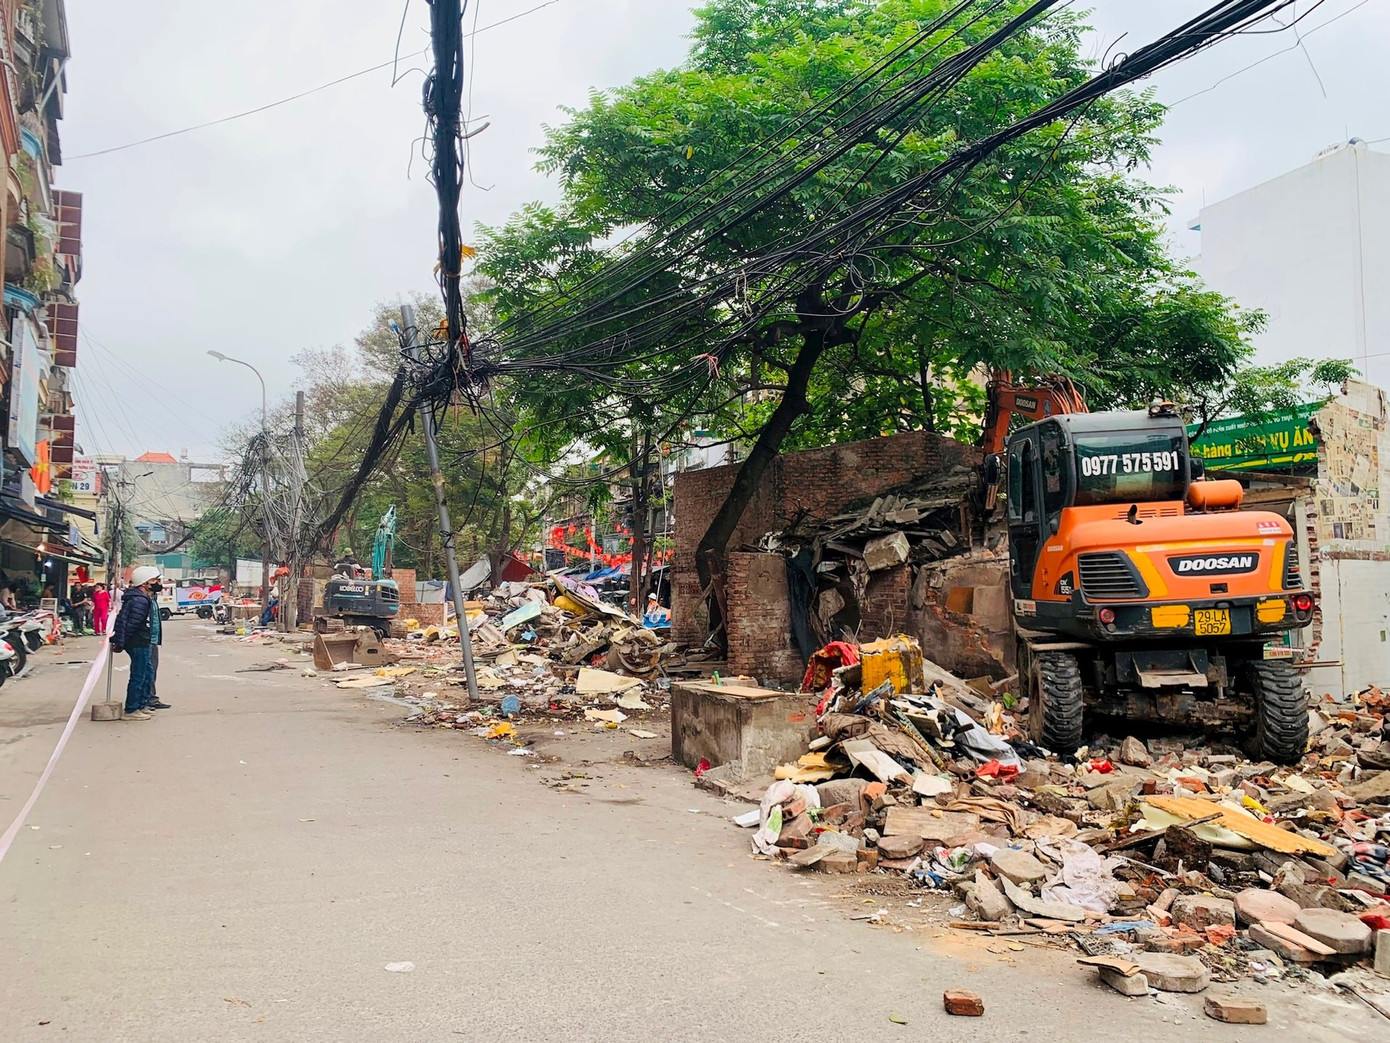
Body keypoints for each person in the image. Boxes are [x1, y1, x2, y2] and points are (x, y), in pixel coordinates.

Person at [111, 566, 162, 720]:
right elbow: (131, 624)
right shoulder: (140, 600)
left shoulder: (142, 598)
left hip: (141, 641)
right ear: (144, 583)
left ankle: (141, 704)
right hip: (137, 642)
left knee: (147, 673)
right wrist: (120, 642)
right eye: (154, 580)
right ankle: (132, 709)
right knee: (139, 675)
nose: (158, 583)